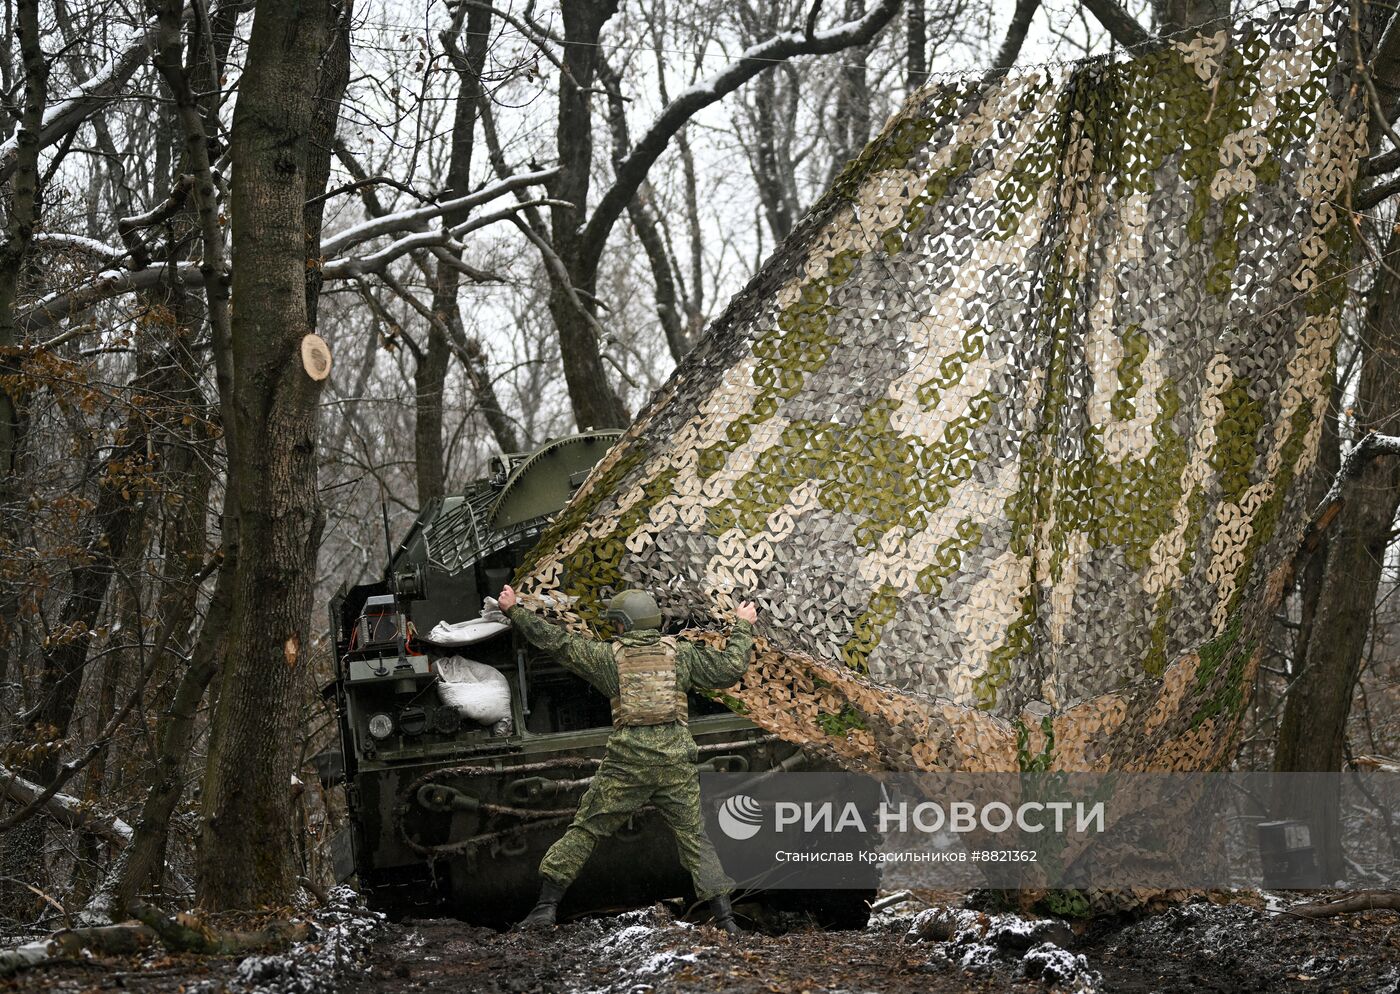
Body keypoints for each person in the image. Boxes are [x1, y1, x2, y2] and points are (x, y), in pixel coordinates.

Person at [497, 583, 758, 935]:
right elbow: (729, 668)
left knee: (587, 828)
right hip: (675, 761)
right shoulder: (682, 654)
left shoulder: (607, 658)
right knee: (696, 837)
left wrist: (515, 611)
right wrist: (743, 624)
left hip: (626, 764)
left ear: (623, 624)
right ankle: (726, 920)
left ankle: (545, 907)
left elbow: (556, 643)